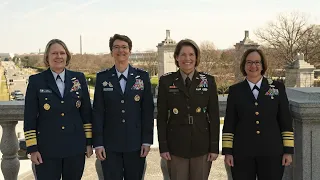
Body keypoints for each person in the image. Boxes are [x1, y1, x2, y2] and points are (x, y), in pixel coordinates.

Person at [24, 39, 93, 180]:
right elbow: (29, 117)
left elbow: (86, 113)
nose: (58, 56)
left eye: (62, 53)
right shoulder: (36, 81)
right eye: (54, 53)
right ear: (47, 57)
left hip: (75, 148)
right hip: (46, 150)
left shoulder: (78, 79)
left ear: (67, 56)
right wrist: (33, 149)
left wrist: (88, 142)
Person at [222, 48, 294, 180]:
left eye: (257, 62)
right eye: (249, 62)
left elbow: (285, 120)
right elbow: (229, 123)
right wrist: (227, 152)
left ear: (263, 65)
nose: (253, 66)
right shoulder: (235, 91)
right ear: (244, 65)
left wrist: (288, 151)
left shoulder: (277, 88)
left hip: (272, 152)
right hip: (242, 153)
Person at [92, 34, 154, 180]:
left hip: (136, 144)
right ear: (111, 52)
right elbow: (98, 112)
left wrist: (147, 140)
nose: (121, 51)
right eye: (116, 47)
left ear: (130, 51)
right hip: (110, 144)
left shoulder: (142, 77)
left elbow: (147, 111)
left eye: (124, 47)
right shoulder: (102, 78)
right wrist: (98, 143)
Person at [157, 39, 220, 180]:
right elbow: (161, 117)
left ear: (196, 57)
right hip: (176, 147)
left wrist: (214, 147)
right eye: (183, 54)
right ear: (176, 57)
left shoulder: (208, 81)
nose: (187, 58)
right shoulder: (166, 82)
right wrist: (163, 146)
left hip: (202, 145)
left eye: (191, 54)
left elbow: (214, 116)